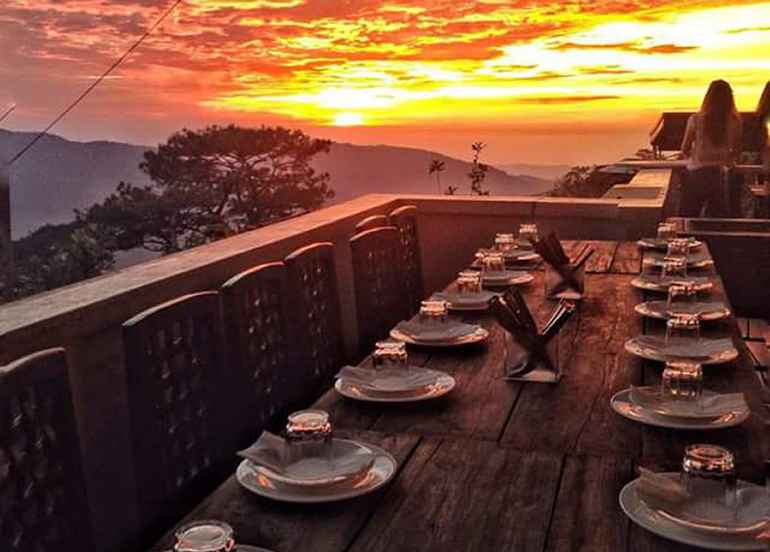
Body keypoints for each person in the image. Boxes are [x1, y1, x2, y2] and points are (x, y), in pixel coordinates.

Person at [680, 80, 742, 217]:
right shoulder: (734, 121)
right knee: (718, 221)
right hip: (720, 176)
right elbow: (736, 151)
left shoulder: (695, 119)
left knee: (689, 216)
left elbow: (684, 149)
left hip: (697, 174)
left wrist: (695, 155)